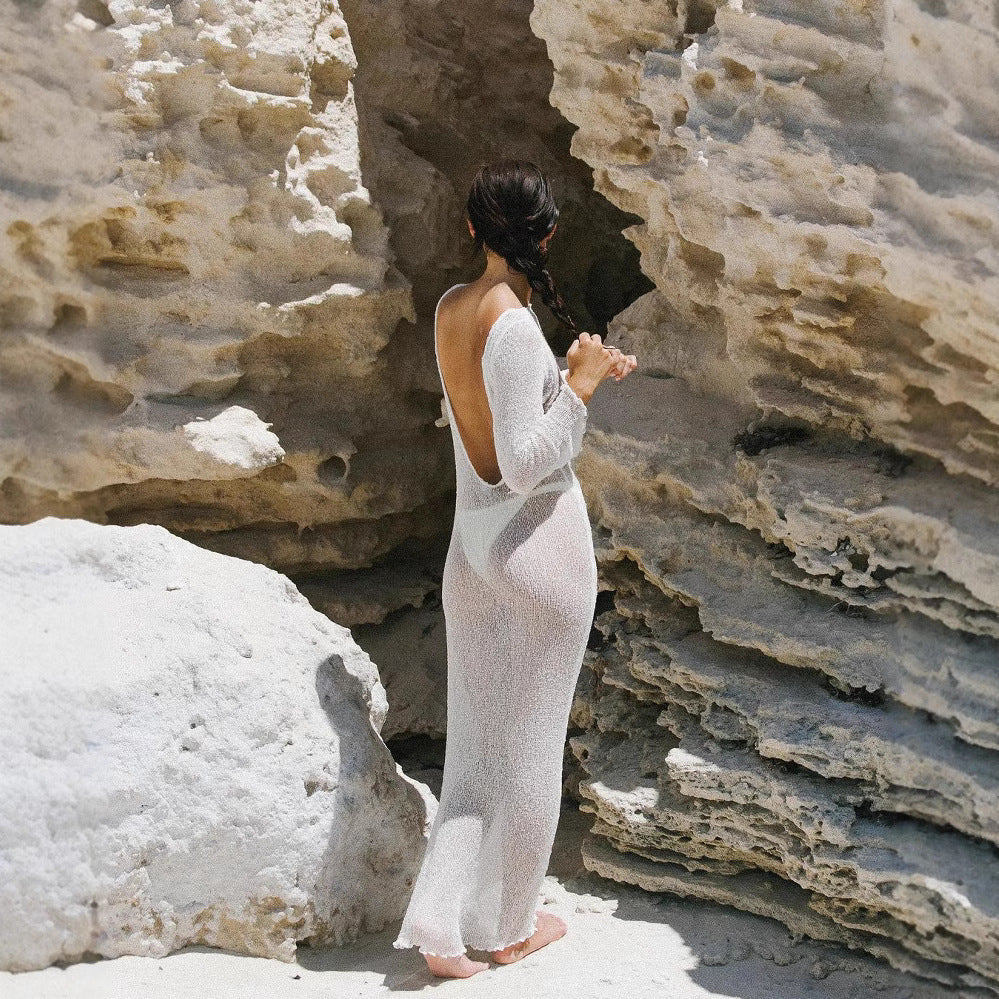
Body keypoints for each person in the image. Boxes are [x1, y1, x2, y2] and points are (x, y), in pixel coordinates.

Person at [392, 160, 638, 979]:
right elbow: (525, 465)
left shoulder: (450, 307)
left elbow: (489, 440)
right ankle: (507, 929)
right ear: (549, 233)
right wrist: (581, 387)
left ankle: (439, 930)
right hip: (537, 553)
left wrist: (565, 382)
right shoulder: (514, 326)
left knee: (474, 757)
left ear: (471, 228)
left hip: (471, 549)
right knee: (529, 753)